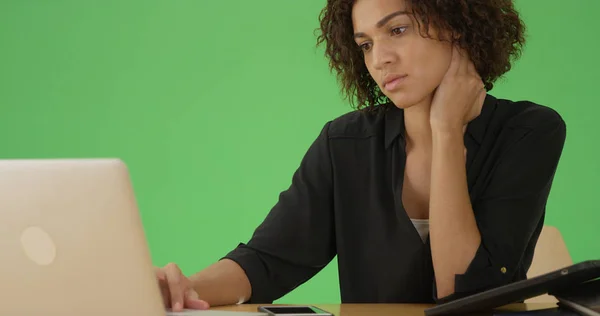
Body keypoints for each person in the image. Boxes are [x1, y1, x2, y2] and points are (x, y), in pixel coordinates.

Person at [155, 0, 567, 312]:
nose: (380, 59)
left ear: (456, 25)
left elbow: (466, 296)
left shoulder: (529, 131)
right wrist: (182, 288)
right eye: (366, 44)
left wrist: (445, 132)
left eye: (399, 30)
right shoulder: (346, 143)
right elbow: (268, 261)